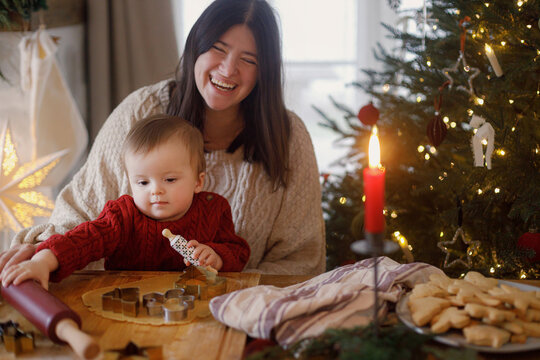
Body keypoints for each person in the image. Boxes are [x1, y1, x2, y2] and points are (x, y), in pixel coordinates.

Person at [0, 0, 325, 276]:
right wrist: (44, 255)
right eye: (218, 48)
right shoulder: (140, 112)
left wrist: (229, 290)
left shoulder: (289, 137)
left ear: (264, 70)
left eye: (248, 60)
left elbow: (301, 262)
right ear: (196, 46)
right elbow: (82, 217)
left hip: (242, 314)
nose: (228, 70)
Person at [0, 114, 250, 289]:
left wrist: (217, 256)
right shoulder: (123, 215)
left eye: (170, 179)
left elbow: (239, 252)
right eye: (143, 183)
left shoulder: (214, 209)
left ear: (198, 181)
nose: (156, 191)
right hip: (126, 301)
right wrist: (43, 261)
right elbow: (83, 240)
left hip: (193, 304)